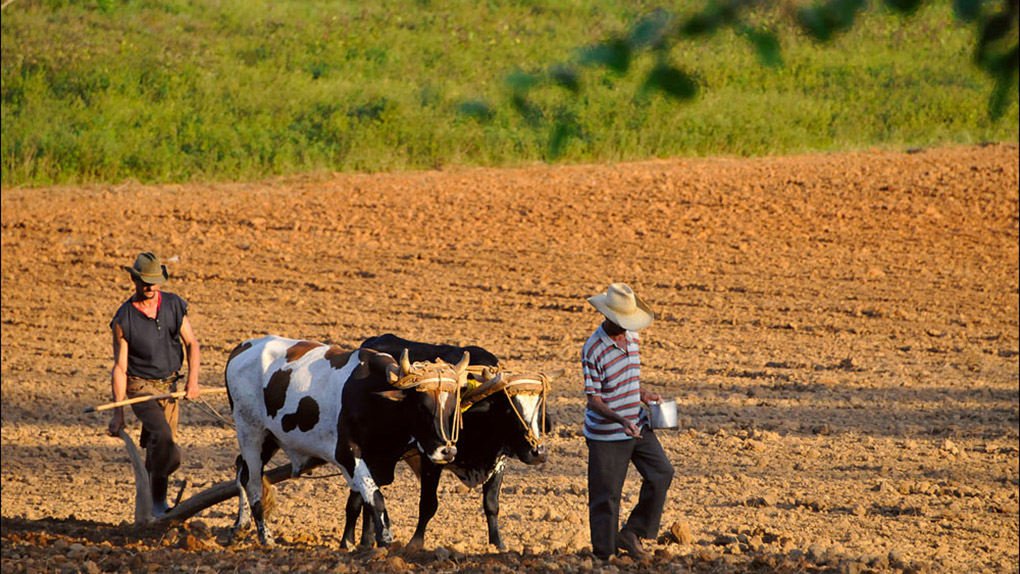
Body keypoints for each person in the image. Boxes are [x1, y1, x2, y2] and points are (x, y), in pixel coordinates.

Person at [581, 283, 674, 561]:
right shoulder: (593, 349)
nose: (625, 328)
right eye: (621, 322)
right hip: (606, 434)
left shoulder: (632, 337)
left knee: (662, 473)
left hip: (638, 423)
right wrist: (620, 419)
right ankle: (604, 557)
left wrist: (646, 396)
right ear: (607, 316)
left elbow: (629, 380)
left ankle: (632, 531)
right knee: (606, 496)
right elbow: (594, 399)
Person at [108, 252, 201, 516]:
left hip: (170, 389)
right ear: (134, 280)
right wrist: (118, 413)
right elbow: (120, 368)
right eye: (145, 281)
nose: (150, 287)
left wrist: (192, 381)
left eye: (154, 281)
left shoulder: (173, 305)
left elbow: (192, 343)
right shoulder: (123, 318)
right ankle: (159, 503)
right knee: (165, 441)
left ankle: (149, 506)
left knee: (158, 446)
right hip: (140, 388)